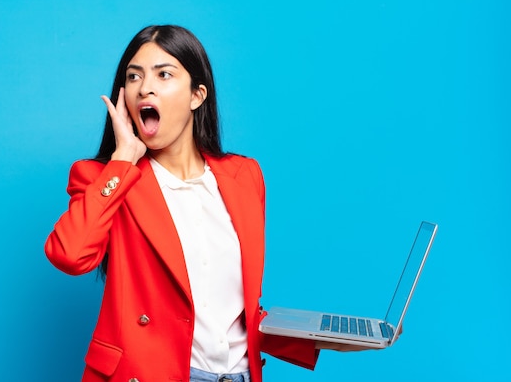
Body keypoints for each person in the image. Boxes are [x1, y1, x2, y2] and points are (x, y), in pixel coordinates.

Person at [45, 24, 367, 382]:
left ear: (197, 95)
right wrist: (123, 160)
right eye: (133, 77)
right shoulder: (106, 177)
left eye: (163, 74)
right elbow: (70, 255)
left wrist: (318, 340)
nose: (144, 87)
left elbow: (232, 313)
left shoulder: (244, 177)